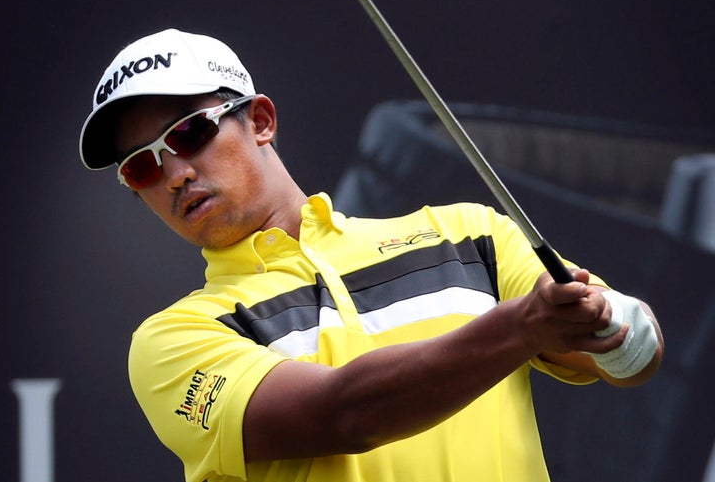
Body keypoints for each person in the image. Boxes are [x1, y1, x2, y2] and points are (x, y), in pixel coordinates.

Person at [79, 28, 664, 482]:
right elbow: (345, 415)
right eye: (143, 166)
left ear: (259, 121)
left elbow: (634, 359)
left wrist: (612, 323)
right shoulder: (175, 340)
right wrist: (522, 326)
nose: (176, 174)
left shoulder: (468, 235)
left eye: (188, 134)